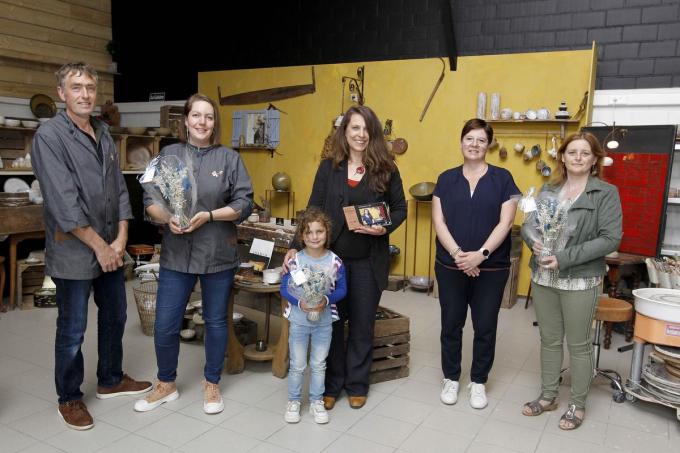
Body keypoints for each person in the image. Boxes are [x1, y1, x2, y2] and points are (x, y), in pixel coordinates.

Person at [31, 62, 152, 431]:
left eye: (90, 88)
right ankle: (69, 397)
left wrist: (121, 239)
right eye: (77, 87)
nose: (85, 94)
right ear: (62, 94)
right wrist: (102, 247)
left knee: (115, 314)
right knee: (73, 327)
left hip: (109, 247)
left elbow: (119, 190)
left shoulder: (102, 132)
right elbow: (63, 203)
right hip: (74, 250)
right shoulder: (49, 137)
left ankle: (111, 377)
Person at [133, 93, 253, 415]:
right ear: (185, 120)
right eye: (196, 115)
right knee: (166, 323)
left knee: (215, 321)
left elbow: (244, 203)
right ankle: (166, 383)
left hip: (217, 252)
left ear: (215, 123)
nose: (202, 122)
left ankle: (211, 382)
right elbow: (150, 200)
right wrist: (167, 218)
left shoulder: (229, 159)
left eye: (209, 117)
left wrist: (210, 216)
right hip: (177, 253)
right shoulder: (168, 155)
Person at [284, 105, 406, 410]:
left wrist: (384, 228)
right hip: (330, 263)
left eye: (366, 129)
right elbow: (313, 208)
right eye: (354, 128)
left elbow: (400, 208)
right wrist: (292, 245)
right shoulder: (329, 168)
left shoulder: (387, 168)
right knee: (332, 324)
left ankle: (356, 384)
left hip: (368, 261)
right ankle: (331, 384)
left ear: (373, 133)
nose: (360, 135)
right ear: (345, 132)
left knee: (363, 325)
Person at [520, 132, 622, 430]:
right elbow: (528, 225)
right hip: (543, 276)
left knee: (579, 345)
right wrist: (534, 242)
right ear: (562, 157)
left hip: (580, 278)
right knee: (549, 340)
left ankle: (577, 403)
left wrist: (565, 257)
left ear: (594, 160)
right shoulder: (548, 189)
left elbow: (611, 238)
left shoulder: (605, 193)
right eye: (572, 152)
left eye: (585, 153)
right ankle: (549, 395)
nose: (578, 157)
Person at [433, 118, 520, 410]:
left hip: (491, 268)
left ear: (488, 145)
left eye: (481, 140)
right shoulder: (446, 178)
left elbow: (506, 221)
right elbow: (438, 221)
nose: (474, 144)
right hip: (451, 265)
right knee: (451, 323)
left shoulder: (503, 178)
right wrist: (459, 254)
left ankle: (479, 381)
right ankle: (451, 378)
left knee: (485, 326)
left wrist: (480, 254)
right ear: (461, 142)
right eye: (469, 138)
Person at [279, 207, 347, 424]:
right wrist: (300, 302)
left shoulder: (335, 261)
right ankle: (294, 401)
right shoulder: (295, 261)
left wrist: (326, 301)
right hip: (299, 321)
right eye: (309, 232)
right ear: (302, 236)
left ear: (327, 233)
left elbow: (342, 290)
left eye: (319, 231)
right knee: (298, 363)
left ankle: (317, 401)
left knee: (319, 363)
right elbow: (284, 288)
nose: (315, 236)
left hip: (324, 322)